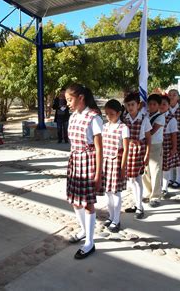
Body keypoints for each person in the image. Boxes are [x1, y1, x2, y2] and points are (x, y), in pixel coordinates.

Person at [65, 84, 103, 260]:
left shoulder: (94, 117)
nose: (68, 104)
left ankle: (90, 242)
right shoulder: (73, 116)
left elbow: (99, 147)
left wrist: (98, 173)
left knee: (88, 203)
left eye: (70, 100)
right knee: (75, 200)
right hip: (75, 161)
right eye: (66, 100)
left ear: (81, 98)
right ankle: (83, 230)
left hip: (88, 162)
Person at [99, 99, 129, 233]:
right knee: (108, 192)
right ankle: (110, 216)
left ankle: (117, 219)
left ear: (119, 113)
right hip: (106, 162)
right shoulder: (105, 126)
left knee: (116, 193)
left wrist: (123, 168)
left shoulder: (123, 128)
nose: (108, 116)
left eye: (111, 114)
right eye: (106, 114)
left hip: (117, 162)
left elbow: (126, 149)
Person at [123, 93, 151, 219]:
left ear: (138, 105)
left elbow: (148, 138)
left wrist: (147, 154)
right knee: (131, 180)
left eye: (132, 104)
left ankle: (140, 207)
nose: (130, 107)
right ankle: (136, 203)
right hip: (127, 151)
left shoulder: (144, 119)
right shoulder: (124, 118)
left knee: (137, 179)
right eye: (128, 105)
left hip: (139, 151)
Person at [143, 94, 165, 207]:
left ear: (159, 105)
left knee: (155, 170)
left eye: (154, 104)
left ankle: (156, 196)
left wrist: (142, 134)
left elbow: (151, 132)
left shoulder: (161, 117)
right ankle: (147, 192)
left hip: (155, 145)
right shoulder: (145, 115)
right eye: (150, 104)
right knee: (145, 170)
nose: (151, 106)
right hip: (145, 145)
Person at [159, 96, 180, 197]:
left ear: (168, 106)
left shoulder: (171, 119)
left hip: (166, 145)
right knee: (157, 168)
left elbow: (174, 135)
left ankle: (164, 188)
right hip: (156, 145)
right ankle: (157, 186)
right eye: (160, 104)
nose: (162, 106)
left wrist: (174, 148)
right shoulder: (153, 116)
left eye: (164, 104)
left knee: (165, 168)